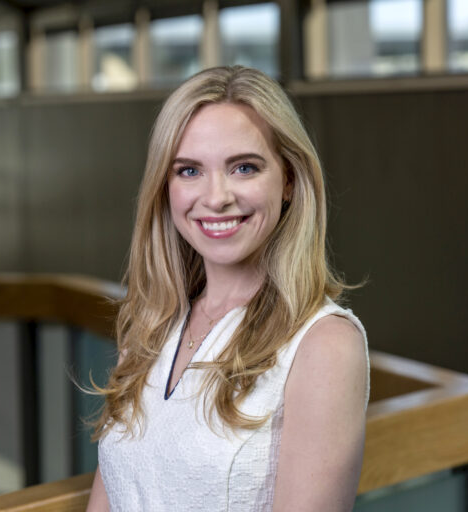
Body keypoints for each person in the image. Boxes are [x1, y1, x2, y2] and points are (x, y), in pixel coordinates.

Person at [86, 66, 369, 512]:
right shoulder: (150, 322)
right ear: (165, 187)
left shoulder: (324, 344)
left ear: (289, 179)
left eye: (243, 167)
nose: (216, 197)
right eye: (189, 170)